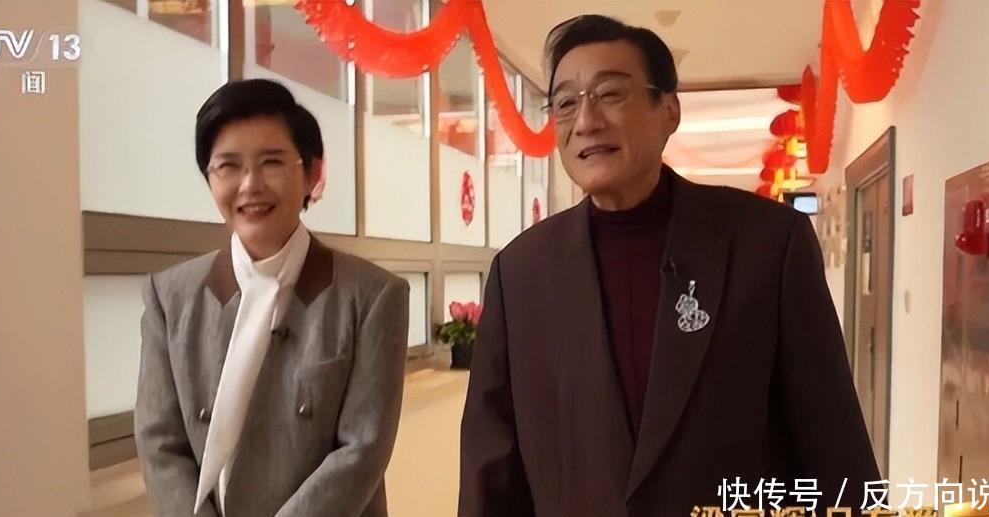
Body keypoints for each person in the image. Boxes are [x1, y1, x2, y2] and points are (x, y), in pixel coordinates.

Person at [458, 15, 879, 517]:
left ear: (669, 110)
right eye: (566, 103)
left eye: (610, 94)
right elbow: (492, 468)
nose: (586, 120)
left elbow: (833, 446)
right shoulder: (520, 273)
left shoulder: (767, 243)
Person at [135, 79, 409, 517]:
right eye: (228, 166)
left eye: (272, 162)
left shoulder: (372, 296)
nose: (250, 185)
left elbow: (363, 449)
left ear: (312, 173)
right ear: (209, 178)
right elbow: (159, 443)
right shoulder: (170, 297)